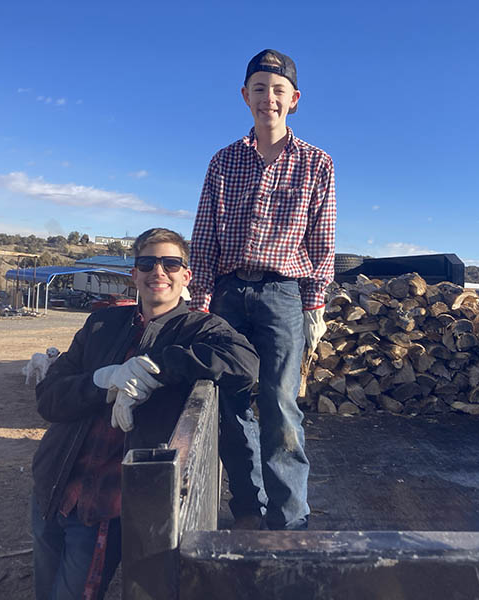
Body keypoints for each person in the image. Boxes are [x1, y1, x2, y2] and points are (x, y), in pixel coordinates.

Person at [30, 227, 259, 599]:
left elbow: (245, 363)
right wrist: (103, 382)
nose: (159, 272)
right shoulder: (101, 324)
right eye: (148, 263)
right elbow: (48, 398)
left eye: (171, 264)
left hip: (105, 501)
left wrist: (156, 368)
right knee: (45, 585)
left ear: (187, 275)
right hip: (54, 484)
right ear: (134, 274)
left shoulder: (201, 329)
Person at [189, 49, 336, 531]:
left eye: (278, 90)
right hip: (228, 295)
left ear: (294, 99)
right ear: (244, 95)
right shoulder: (223, 161)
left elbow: (322, 240)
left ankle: (290, 518)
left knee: (280, 405)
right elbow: (204, 236)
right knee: (229, 404)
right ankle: (248, 509)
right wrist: (201, 302)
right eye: (259, 89)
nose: (267, 98)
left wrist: (314, 305)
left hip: (282, 295)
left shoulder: (316, 163)